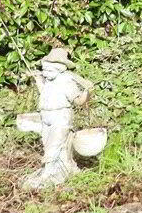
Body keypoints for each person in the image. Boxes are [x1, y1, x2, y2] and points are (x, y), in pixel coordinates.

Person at [20, 47, 93, 190]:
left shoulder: (66, 81)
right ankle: (66, 168)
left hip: (61, 117)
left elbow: (78, 101)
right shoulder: (49, 80)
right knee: (50, 144)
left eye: (48, 70)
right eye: (44, 70)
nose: (45, 73)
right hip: (46, 117)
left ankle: (48, 174)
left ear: (59, 69)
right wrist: (38, 80)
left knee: (53, 145)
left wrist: (87, 93)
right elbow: (45, 93)